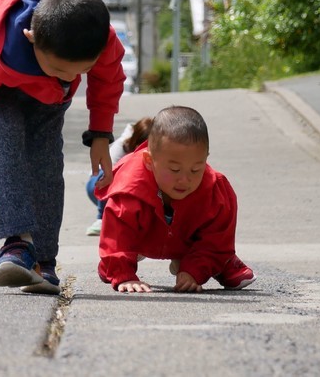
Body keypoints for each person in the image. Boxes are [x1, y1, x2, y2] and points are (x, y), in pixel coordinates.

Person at [0, 0, 127, 295]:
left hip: (44, 56)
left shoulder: (96, 39)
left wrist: (100, 135)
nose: (70, 78)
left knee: (44, 155)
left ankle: (44, 262)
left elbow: (108, 80)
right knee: (3, 129)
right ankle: (16, 245)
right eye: (59, 68)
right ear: (31, 38)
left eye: (79, 72)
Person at [95, 105, 256, 293]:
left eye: (196, 169)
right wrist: (123, 274)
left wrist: (193, 272)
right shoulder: (131, 188)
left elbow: (217, 238)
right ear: (149, 161)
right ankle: (113, 266)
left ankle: (221, 264)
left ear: (205, 159)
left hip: (186, 238)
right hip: (143, 238)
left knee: (217, 254)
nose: (185, 179)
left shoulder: (214, 189)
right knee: (115, 262)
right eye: (174, 170)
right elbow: (116, 236)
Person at [85, 116, 153, 236]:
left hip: (123, 186)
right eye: (144, 146)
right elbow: (109, 175)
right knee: (117, 177)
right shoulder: (123, 147)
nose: (147, 150)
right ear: (135, 142)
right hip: (98, 183)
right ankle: (101, 219)